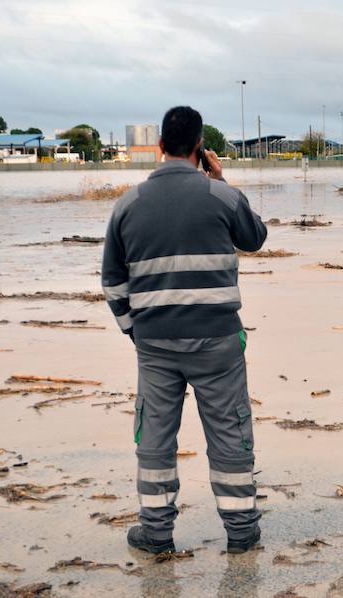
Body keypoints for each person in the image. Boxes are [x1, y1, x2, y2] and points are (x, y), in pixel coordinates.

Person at [101, 106, 267, 555]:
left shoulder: (127, 204)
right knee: (230, 432)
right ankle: (241, 532)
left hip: (155, 343)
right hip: (218, 342)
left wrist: (134, 332)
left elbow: (112, 282)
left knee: (154, 437)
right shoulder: (220, 196)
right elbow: (255, 237)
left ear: (159, 146)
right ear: (200, 147)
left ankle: (156, 534)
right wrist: (222, 180)